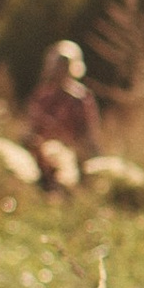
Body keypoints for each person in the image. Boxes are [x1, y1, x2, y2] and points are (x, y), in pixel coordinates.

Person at [21, 40, 99, 187]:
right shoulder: (42, 96)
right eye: (57, 65)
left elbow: (88, 134)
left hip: (73, 159)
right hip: (43, 160)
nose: (60, 70)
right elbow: (32, 129)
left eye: (64, 65)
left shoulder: (81, 98)